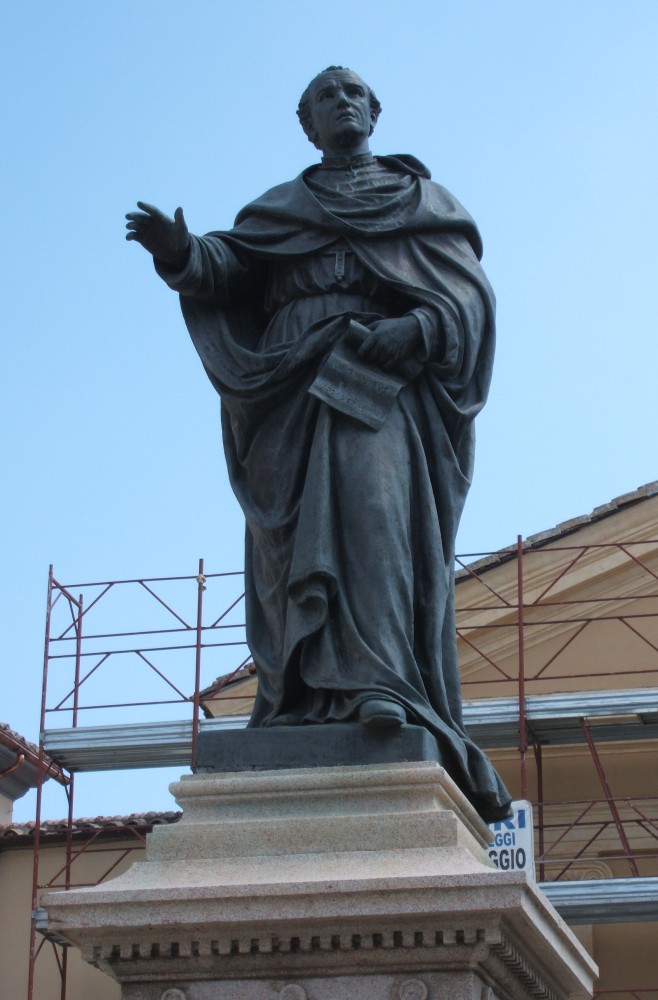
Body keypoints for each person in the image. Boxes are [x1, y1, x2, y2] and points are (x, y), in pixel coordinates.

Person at [126, 67, 511, 821]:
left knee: (374, 521)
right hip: (290, 390)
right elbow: (229, 270)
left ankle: (386, 686)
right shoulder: (280, 210)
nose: (341, 102)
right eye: (323, 97)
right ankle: (297, 696)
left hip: (376, 380)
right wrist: (181, 255)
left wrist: (420, 329)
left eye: (352, 92)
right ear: (306, 124)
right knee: (288, 547)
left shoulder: (423, 203)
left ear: (375, 110)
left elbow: (469, 300)